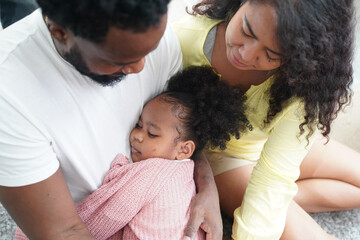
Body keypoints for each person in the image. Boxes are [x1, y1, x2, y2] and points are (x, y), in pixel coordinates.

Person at [0, 1, 223, 240]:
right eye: (119, 60)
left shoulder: (147, 25)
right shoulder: (9, 93)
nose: (140, 67)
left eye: (149, 49)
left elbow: (183, 131)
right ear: (60, 31)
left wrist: (207, 187)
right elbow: (64, 232)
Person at [173, 0, 358, 239]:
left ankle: (278, 202)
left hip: (264, 143)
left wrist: (274, 199)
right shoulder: (185, 39)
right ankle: (258, 199)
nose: (245, 53)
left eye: (270, 54)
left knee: (274, 196)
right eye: (246, 30)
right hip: (223, 156)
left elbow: (276, 174)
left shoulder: (301, 83)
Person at [15, 66, 250, 240]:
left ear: (184, 149)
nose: (137, 135)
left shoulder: (152, 172)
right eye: (139, 124)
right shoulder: (186, 173)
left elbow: (103, 216)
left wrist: (26, 233)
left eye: (152, 133)